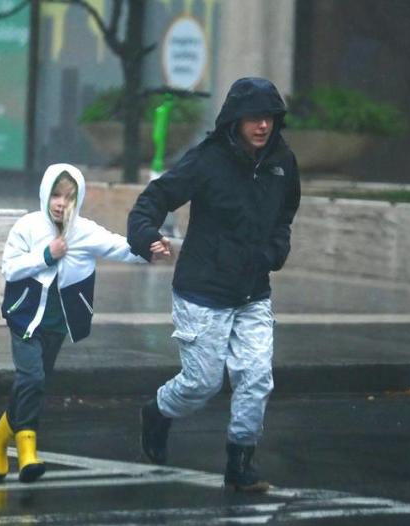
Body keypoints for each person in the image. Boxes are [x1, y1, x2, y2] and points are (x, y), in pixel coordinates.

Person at [127, 77, 301, 492]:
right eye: (254, 118)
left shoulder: (282, 161)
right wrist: (144, 234)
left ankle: (240, 465)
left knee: (256, 377)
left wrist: (275, 250)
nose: (262, 126)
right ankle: (158, 411)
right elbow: (156, 196)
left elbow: (285, 215)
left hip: (253, 291)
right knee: (203, 382)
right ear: (236, 120)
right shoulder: (208, 159)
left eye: (270, 118)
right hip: (203, 289)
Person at [0, 163, 165, 483]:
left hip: (57, 324)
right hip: (25, 318)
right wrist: (46, 254)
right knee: (32, 379)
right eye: (55, 195)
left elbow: (120, 247)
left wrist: (150, 250)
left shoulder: (83, 231)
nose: (60, 203)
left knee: (33, 383)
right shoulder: (27, 226)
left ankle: (0, 434)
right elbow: (10, 269)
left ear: (78, 200)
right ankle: (27, 450)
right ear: (45, 194)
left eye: (68, 198)